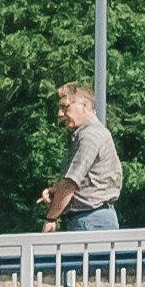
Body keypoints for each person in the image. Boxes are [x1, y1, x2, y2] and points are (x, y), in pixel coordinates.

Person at [38, 81, 122, 231]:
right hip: (95, 219)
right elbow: (87, 183)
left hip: (89, 221)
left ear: (84, 105)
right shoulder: (95, 133)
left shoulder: (89, 136)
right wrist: (57, 193)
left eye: (65, 107)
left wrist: (51, 218)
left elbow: (71, 183)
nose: (60, 114)